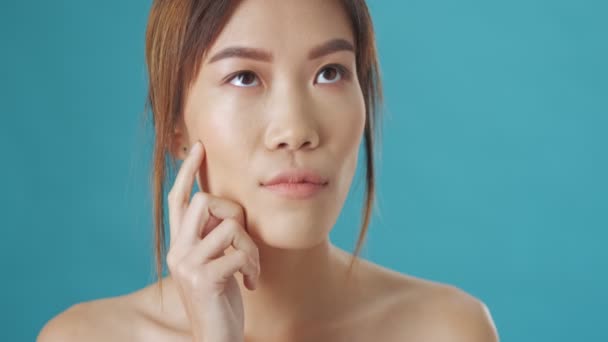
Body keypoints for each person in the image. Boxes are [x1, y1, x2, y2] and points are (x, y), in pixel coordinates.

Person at [38, 0, 499, 341]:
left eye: (330, 72)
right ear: (175, 127)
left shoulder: (447, 330)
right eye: (245, 77)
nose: (296, 129)